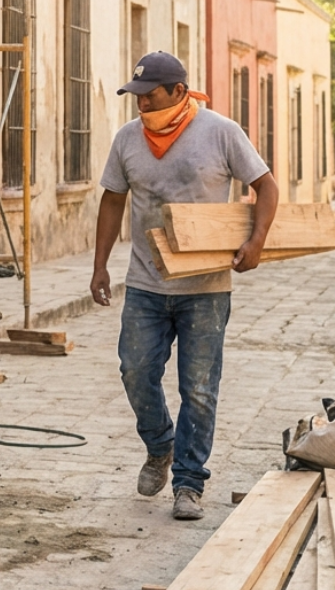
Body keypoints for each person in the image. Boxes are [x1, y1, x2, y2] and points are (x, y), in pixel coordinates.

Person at [90, 50, 277, 521]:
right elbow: (113, 202)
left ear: (178, 91)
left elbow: (267, 186)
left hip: (206, 288)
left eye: (150, 96)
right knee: (134, 369)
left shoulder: (220, 131)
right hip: (146, 283)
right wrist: (99, 266)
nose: (142, 106)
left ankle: (189, 483)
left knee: (198, 388)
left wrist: (256, 243)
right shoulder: (127, 140)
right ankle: (160, 445)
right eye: (136, 97)